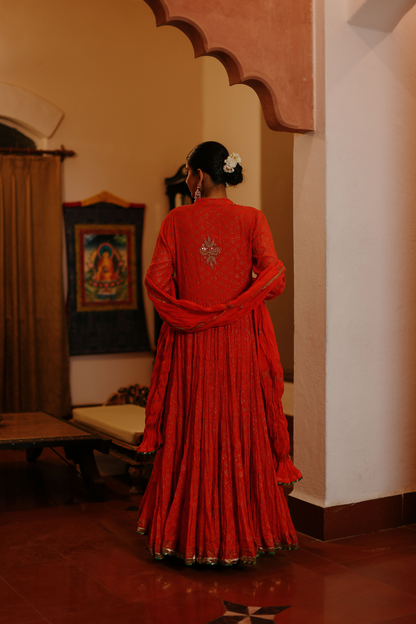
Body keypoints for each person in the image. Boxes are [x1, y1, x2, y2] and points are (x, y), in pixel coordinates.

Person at [137, 141, 302, 566]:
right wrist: (239, 299)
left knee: (193, 429)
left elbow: (156, 284)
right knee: (239, 428)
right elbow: (276, 278)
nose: (189, 181)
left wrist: (189, 311)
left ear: (200, 176)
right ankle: (249, 536)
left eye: (189, 174)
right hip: (239, 343)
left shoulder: (176, 221)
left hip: (191, 344)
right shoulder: (252, 219)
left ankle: (185, 538)